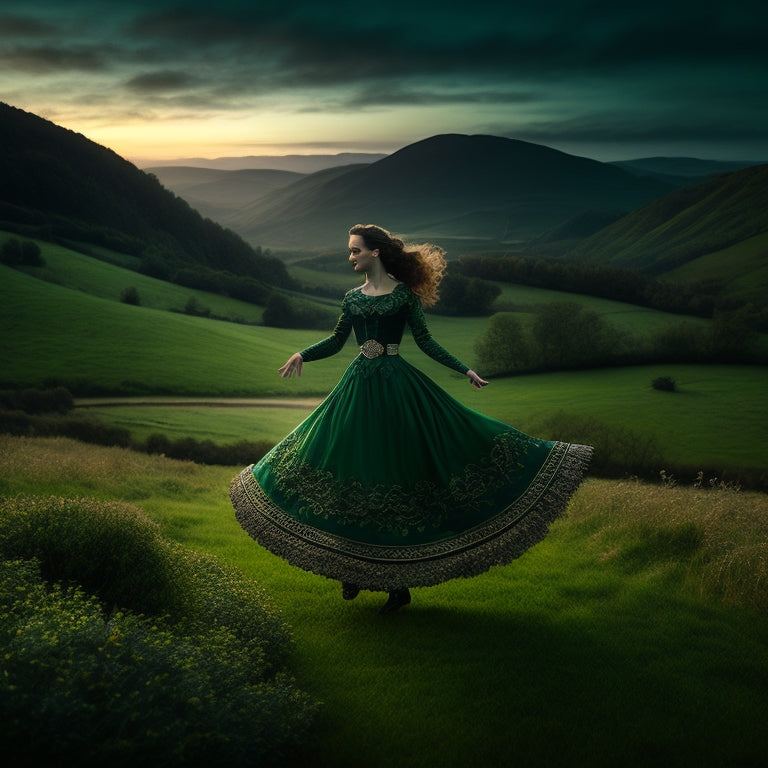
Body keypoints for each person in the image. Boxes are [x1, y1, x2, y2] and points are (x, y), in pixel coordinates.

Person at [230, 224, 592, 615]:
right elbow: (337, 341)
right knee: (345, 467)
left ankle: (396, 586)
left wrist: (464, 369)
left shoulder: (403, 296)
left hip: (397, 390)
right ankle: (351, 568)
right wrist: (303, 353)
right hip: (357, 390)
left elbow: (426, 341)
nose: (350, 257)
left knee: (393, 476)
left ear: (376, 253)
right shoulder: (351, 298)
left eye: (355, 251)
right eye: (350, 251)